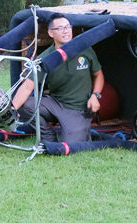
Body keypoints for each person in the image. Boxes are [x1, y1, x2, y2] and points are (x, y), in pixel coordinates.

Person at [11, 14, 104, 143]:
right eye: (60, 28)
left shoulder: (85, 49)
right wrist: (10, 111)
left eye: (68, 27)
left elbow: (98, 75)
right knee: (25, 105)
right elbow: (27, 87)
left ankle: (76, 131)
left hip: (78, 109)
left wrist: (95, 95)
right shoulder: (45, 58)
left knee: (71, 145)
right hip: (56, 104)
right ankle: (48, 137)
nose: (66, 31)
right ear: (50, 33)